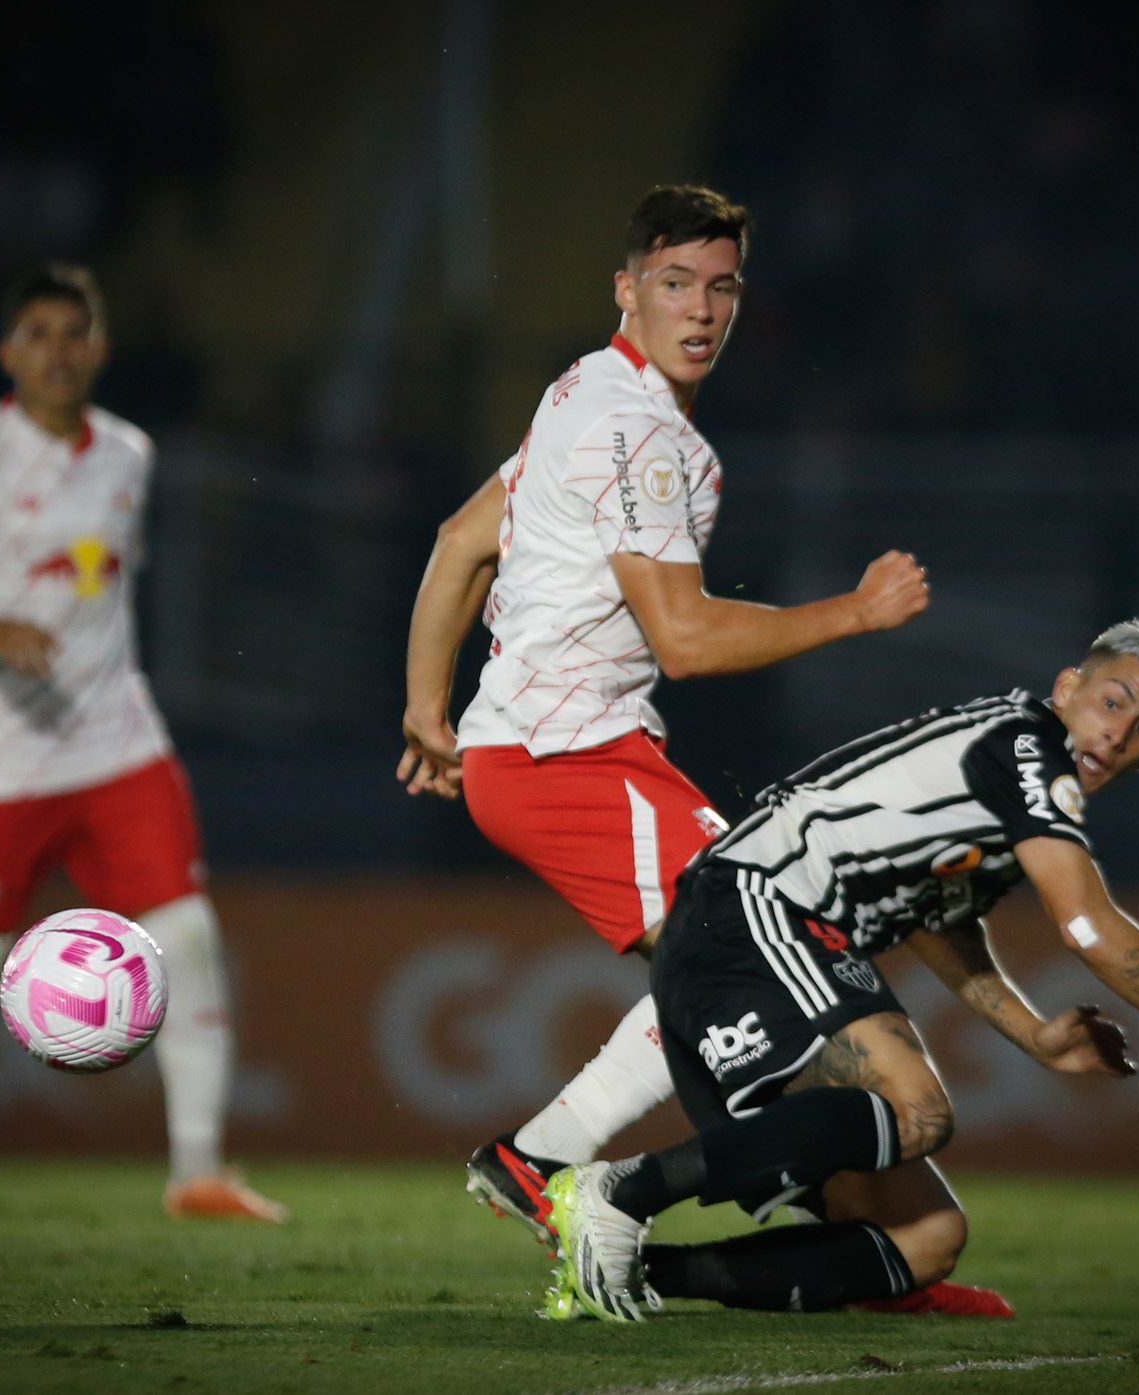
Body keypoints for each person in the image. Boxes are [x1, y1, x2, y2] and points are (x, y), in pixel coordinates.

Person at [397, 186, 930, 1243]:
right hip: (568, 756)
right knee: (757, 949)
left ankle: (807, 1209)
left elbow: (462, 539)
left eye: (719, 288)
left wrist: (425, 711)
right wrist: (855, 614)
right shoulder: (640, 433)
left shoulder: (579, 392)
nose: (699, 311)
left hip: (548, 748)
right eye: (674, 284)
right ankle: (542, 1159)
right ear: (626, 289)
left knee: (734, 967)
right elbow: (683, 640)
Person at [538, 619, 1139, 1321]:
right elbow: (1088, 924)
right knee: (916, 1111)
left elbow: (940, 920)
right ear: (1069, 688)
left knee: (926, 1239)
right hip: (754, 907)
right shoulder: (1027, 745)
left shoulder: (1006, 782)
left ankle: (631, 1271)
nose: (1119, 733)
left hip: (742, 932)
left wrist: (1035, 1037)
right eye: (1113, 701)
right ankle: (620, 1190)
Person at [0, 264, 285, 1223]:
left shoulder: (128, 453)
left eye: (75, 332)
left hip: (118, 742)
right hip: (3, 758)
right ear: (7, 352)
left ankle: (197, 1170)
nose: (58, 351)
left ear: (100, 347)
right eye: (37, 333)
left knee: (187, 936)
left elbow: (101, 588)